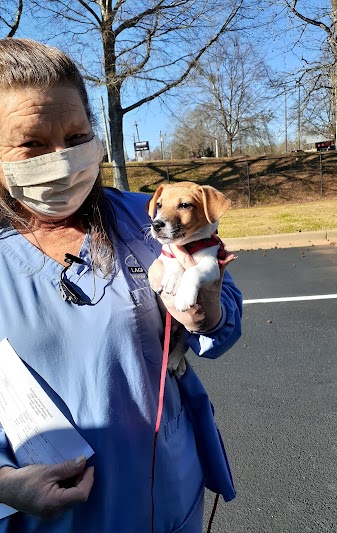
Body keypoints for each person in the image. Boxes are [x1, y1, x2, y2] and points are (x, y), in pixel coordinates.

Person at [0, 39, 242, 532]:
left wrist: (210, 316)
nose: (62, 159)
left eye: (76, 137)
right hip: (53, 519)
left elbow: (226, 324)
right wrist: (4, 484)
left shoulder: (146, 217)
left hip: (168, 496)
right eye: (31, 144)